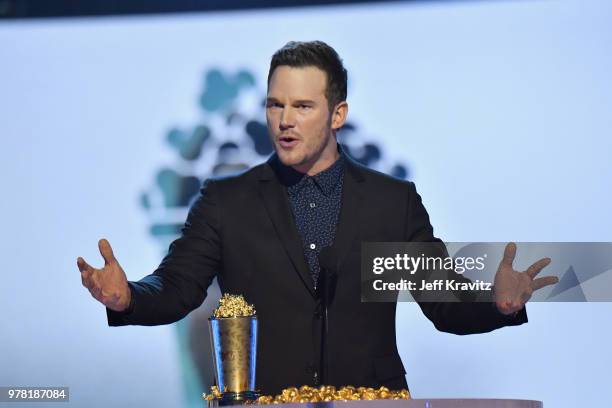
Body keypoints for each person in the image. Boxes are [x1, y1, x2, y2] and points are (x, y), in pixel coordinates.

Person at [77, 41, 558, 395]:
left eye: (302, 106)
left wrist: (497, 305)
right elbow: (177, 288)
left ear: (337, 114)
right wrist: (126, 299)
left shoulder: (392, 202)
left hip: (372, 403)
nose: (285, 120)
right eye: (275, 105)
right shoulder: (227, 202)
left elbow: (445, 304)